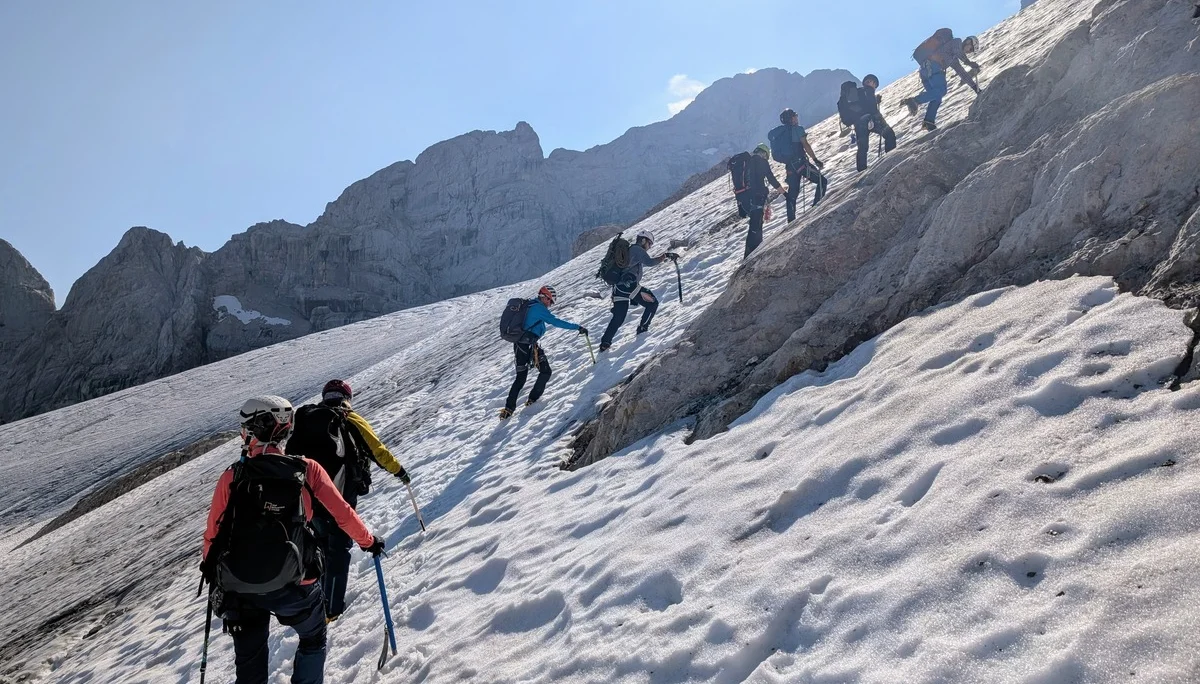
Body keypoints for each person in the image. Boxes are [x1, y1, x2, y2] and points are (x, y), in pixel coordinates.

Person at [201, 395, 385, 684]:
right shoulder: (306, 469)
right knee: (313, 638)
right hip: (295, 582)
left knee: (250, 666)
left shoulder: (233, 476)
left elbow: (213, 534)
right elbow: (343, 514)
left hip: (241, 586)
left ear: (253, 430)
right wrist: (368, 541)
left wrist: (214, 575)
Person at [286, 379, 410, 622]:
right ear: (346, 397)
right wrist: (399, 471)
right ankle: (331, 609)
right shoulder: (348, 418)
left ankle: (317, 601)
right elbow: (377, 450)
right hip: (339, 495)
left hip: (308, 499)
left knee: (318, 547)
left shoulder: (307, 420)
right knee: (339, 549)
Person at [501, 285, 587, 419]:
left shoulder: (532, 305)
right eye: (550, 301)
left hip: (527, 345)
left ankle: (525, 403)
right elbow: (556, 322)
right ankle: (511, 408)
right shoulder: (538, 308)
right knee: (525, 376)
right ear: (545, 297)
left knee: (538, 373)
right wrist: (577, 327)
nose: (550, 304)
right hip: (525, 346)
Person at [598, 231, 678, 352]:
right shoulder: (637, 249)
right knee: (652, 303)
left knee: (618, 317)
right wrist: (665, 256)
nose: (649, 247)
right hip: (629, 286)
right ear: (644, 240)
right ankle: (642, 330)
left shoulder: (632, 251)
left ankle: (605, 343)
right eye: (649, 244)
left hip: (619, 289)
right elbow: (650, 262)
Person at [901, 32, 982, 131]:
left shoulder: (954, 59)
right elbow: (958, 51)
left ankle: (928, 122)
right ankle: (915, 101)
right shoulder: (957, 42)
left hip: (925, 71)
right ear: (968, 42)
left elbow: (962, 73)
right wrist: (969, 63)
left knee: (937, 97)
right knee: (941, 90)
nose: (969, 52)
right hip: (933, 66)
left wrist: (975, 88)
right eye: (971, 49)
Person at [768, 108, 828, 221]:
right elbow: (805, 145)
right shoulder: (798, 130)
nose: (797, 118)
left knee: (792, 195)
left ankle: (791, 220)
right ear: (791, 119)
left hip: (790, 167)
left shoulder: (780, 133)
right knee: (822, 181)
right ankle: (817, 208)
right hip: (801, 164)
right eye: (795, 116)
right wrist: (815, 159)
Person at [731, 143, 783, 256]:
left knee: (754, 226)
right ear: (764, 153)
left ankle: (750, 253)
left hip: (743, 199)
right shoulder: (761, 162)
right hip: (756, 198)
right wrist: (784, 193)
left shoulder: (747, 163)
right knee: (756, 226)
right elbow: (771, 179)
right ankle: (753, 255)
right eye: (766, 156)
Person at [852, 74, 897, 172]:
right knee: (889, 134)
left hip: (859, 124)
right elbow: (872, 108)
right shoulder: (868, 90)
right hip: (871, 120)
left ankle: (861, 171)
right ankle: (891, 158)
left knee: (862, 148)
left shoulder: (858, 93)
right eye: (874, 83)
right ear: (871, 83)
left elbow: (864, 106)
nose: (873, 85)